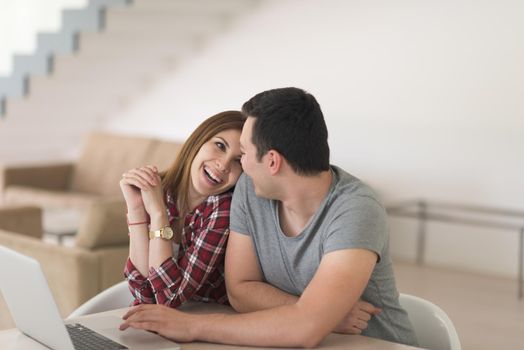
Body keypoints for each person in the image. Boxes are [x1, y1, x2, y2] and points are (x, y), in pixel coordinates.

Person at [120, 88, 418, 348]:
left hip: (374, 344)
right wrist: (316, 314)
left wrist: (192, 326)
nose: (240, 166)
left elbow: (306, 329)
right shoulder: (250, 189)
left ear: (272, 161)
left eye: (245, 153)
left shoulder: (356, 209)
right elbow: (241, 291)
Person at [120, 111, 245, 307]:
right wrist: (136, 209)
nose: (223, 165)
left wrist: (158, 214)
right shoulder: (160, 189)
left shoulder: (223, 209)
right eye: (220, 146)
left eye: (238, 160)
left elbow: (168, 299)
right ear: (198, 141)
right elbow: (143, 292)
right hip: (163, 319)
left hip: (206, 319)